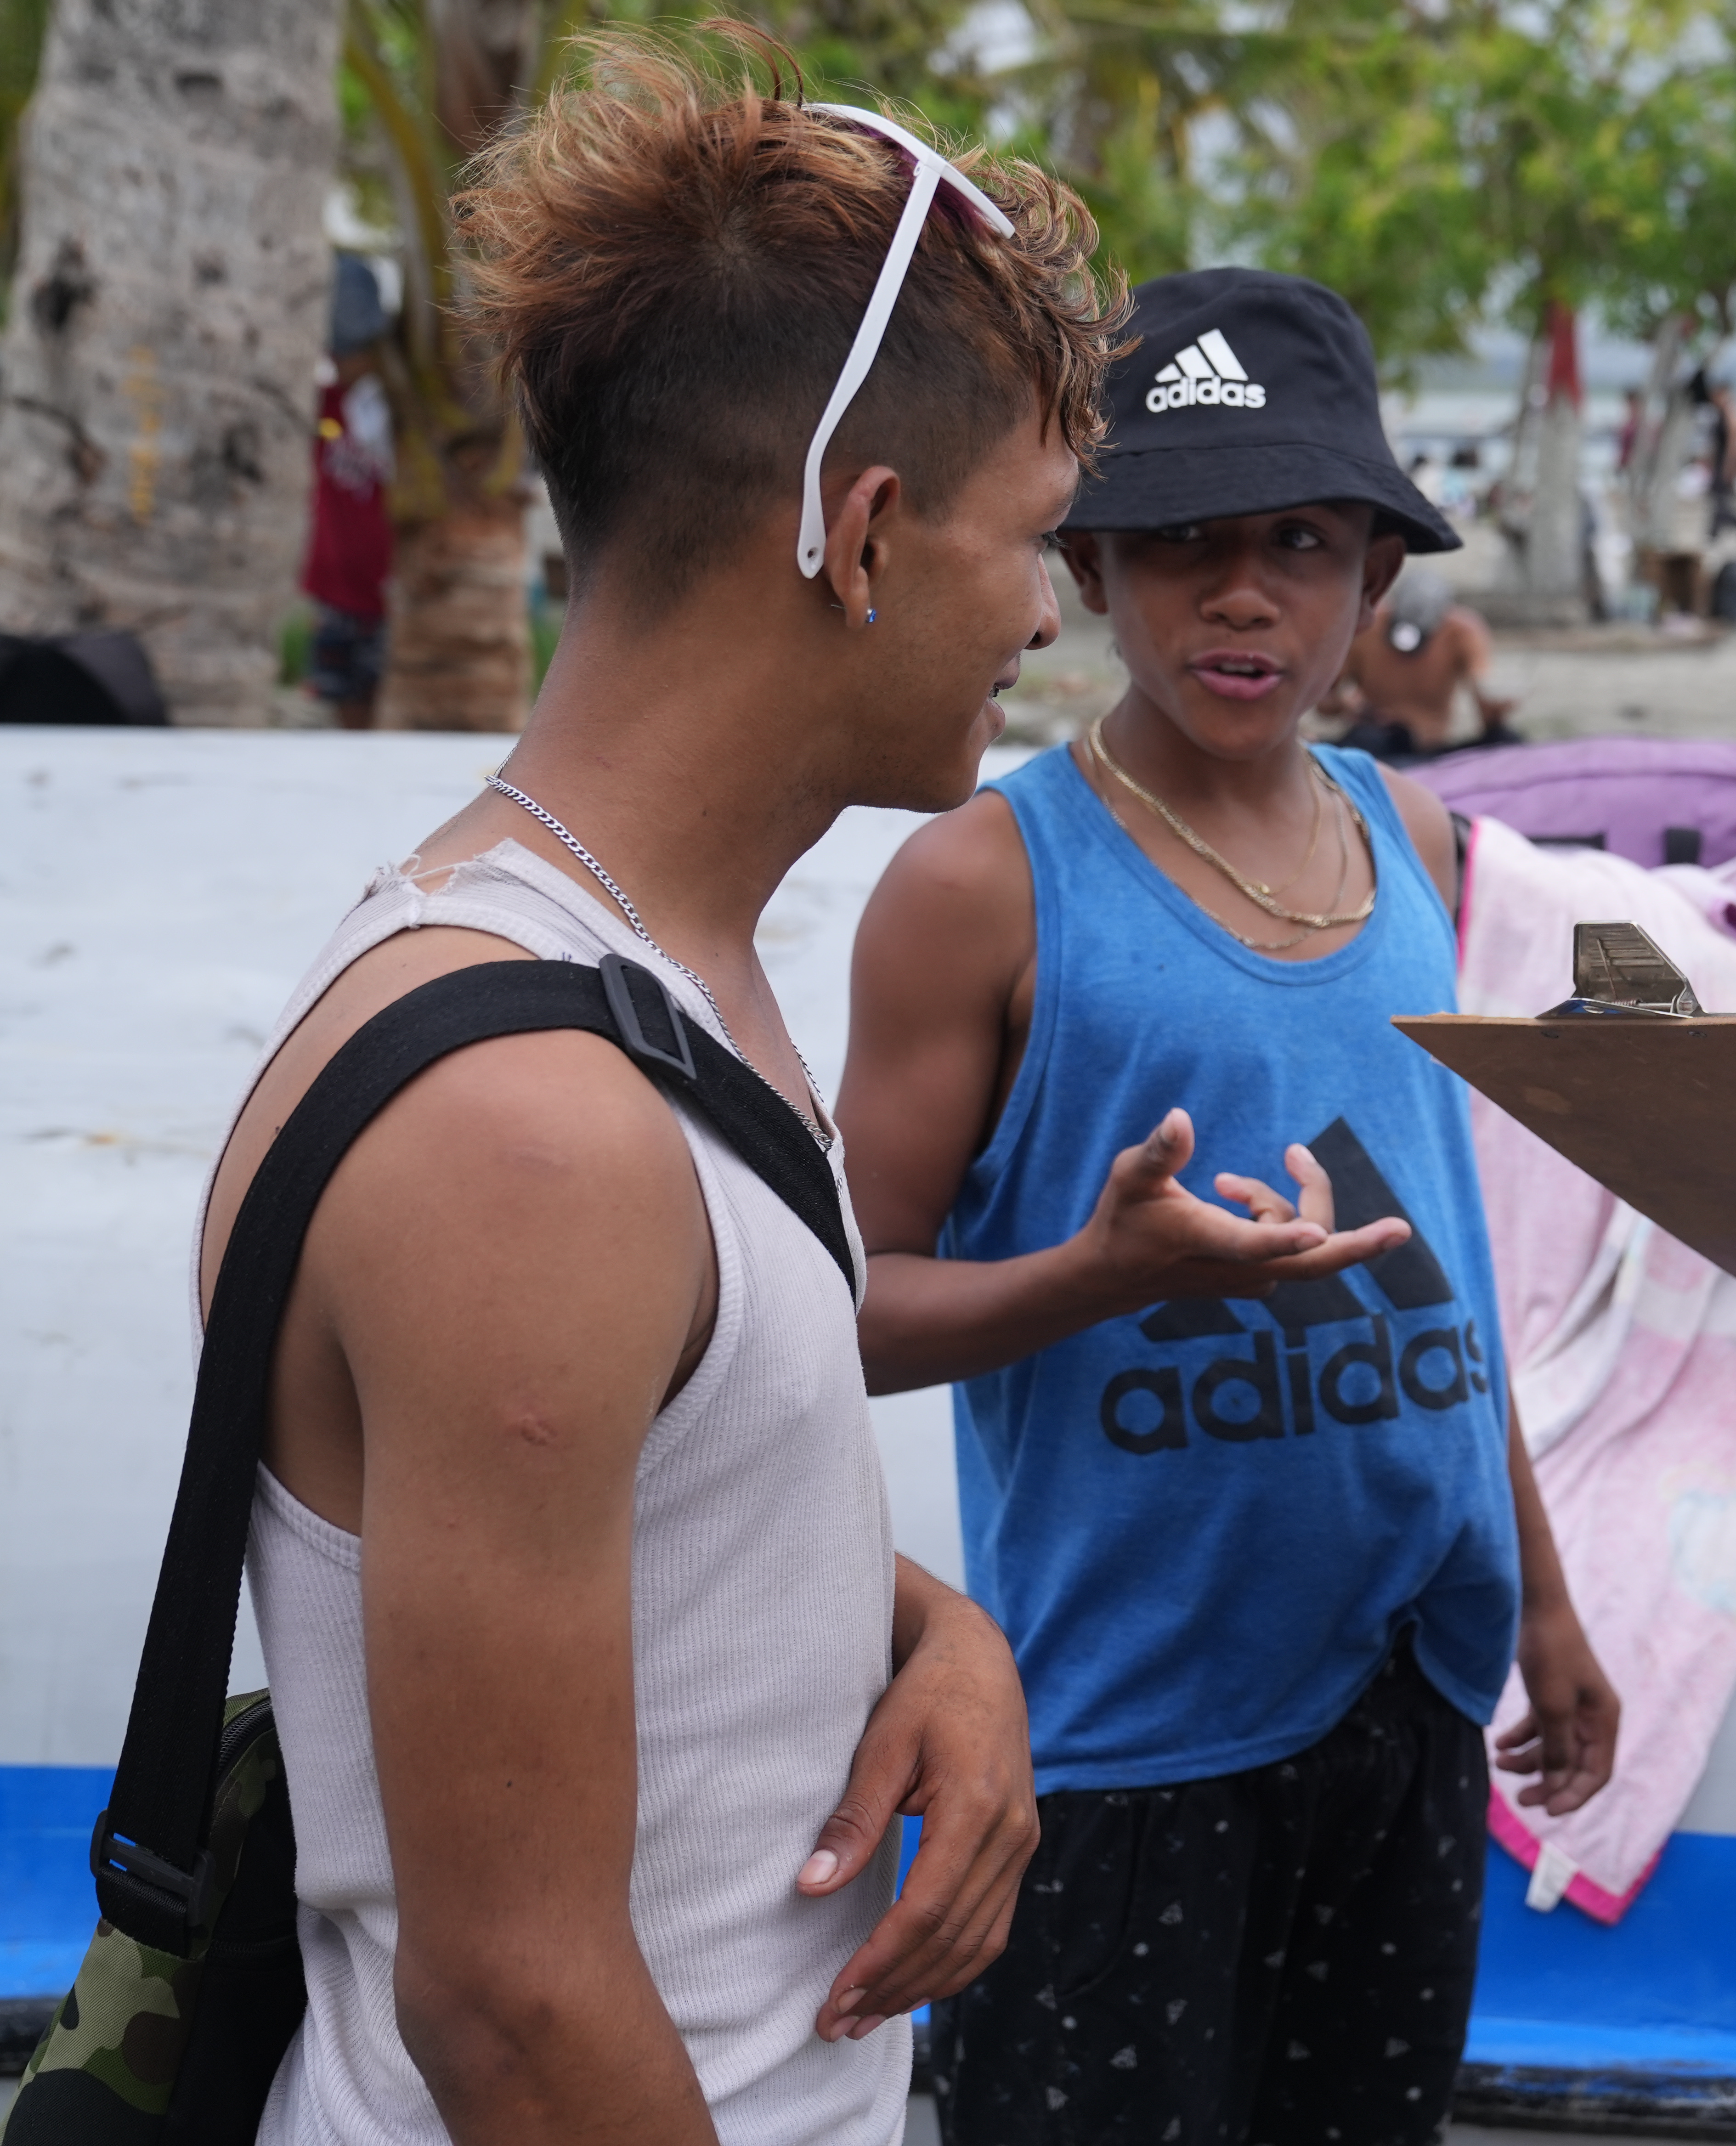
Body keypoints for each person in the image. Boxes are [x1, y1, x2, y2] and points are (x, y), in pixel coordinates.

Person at [198, 34, 1115, 2141]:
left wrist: (934, 1630)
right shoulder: (532, 1123)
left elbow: (627, 1507)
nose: (1050, 612)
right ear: (864, 534)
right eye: (1033, 538)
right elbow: (511, 1995)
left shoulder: (646, 980)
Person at [836, 265, 1621, 2146]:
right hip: (1124, 1735)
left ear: (1379, 576)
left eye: (1300, 540)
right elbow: (838, 1307)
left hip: (1409, 1686)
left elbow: (1440, 1264)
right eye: (1181, 543)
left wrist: (1547, 1604)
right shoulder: (983, 884)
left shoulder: (1418, 844)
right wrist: (1096, 1273)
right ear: (1091, 568)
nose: (1244, 593)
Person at [303, 253, 394, 729]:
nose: (342, 363)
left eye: (352, 350)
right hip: (338, 593)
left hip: (392, 593)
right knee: (348, 710)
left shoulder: (404, 414)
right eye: (336, 353)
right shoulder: (327, 406)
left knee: (389, 708)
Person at [1330, 564, 1519, 757]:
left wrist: (1498, 707)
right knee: (1365, 740)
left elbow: (1486, 704)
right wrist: (1348, 704)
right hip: (1377, 743)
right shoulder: (1367, 628)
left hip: (1434, 750)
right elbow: (1326, 704)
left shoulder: (1461, 632)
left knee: (1507, 741)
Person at [1697, 367, 1736, 541]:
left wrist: (1732, 465)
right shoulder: (1720, 412)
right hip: (1720, 462)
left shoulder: (1731, 411)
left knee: (1722, 499)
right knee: (1719, 499)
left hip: (1727, 462)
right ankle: (1718, 531)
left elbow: (1735, 443)